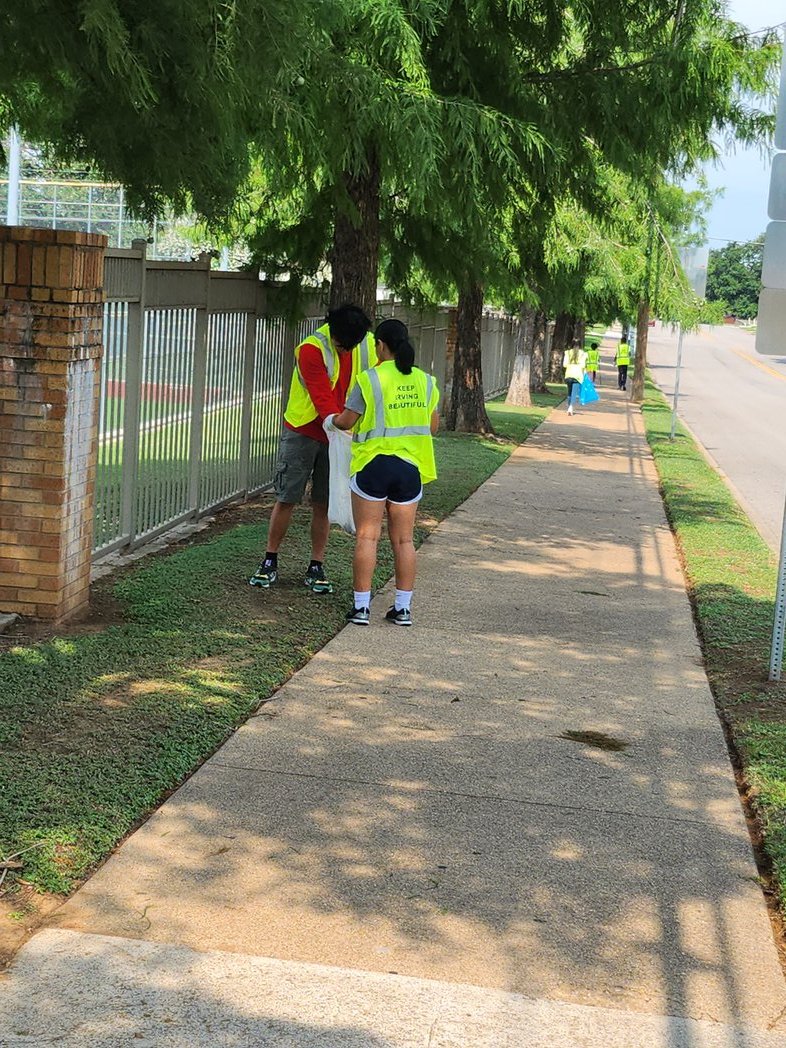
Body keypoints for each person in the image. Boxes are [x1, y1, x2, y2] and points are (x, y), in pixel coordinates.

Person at [249, 304, 374, 593]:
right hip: (304, 430)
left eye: (353, 345)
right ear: (334, 333)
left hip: (340, 433)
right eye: (345, 345)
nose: (348, 350)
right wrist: (342, 425)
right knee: (287, 497)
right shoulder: (311, 349)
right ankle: (270, 559)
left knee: (324, 502)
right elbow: (321, 398)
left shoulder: (364, 343)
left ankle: (316, 565)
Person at [328, 318, 440, 627]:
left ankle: (361, 608)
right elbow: (432, 427)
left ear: (380, 345)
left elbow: (347, 421)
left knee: (367, 536)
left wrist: (332, 421)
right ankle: (402, 609)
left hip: (372, 466)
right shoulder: (426, 382)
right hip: (409, 469)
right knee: (404, 541)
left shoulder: (369, 379)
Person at [562, 341, 588, 416]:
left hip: (569, 374)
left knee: (569, 392)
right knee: (574, 393)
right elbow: (583, 365)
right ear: (580, 346)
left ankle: (569, 406)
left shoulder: (567, 353)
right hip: (578, 375)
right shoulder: (583, 354)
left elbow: (565, 365)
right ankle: (570, 407)